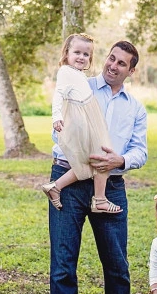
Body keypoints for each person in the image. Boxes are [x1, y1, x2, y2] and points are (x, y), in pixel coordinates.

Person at [41, 40, 148, 294]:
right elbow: (57, 128)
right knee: (62, 263)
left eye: (121, 63)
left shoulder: (135, 108)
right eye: (111, 58)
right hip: (69, 181)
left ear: (131, 71)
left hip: (111, 187)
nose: (112, 65)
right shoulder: (80, 86)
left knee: (117, 266)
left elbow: (140, 152)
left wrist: (119, 160)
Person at [40, 34, 121, 215]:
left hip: (89, 115)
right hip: (80, 118)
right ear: (66, 53)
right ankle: (99, 200)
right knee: (100, 157)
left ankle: (56, 186)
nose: (81, 57)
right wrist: (56, 117)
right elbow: (58, 95)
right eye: (77, 52)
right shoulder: (65, 71)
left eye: (86, 55)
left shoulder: (77, 74)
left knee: (95, 160)